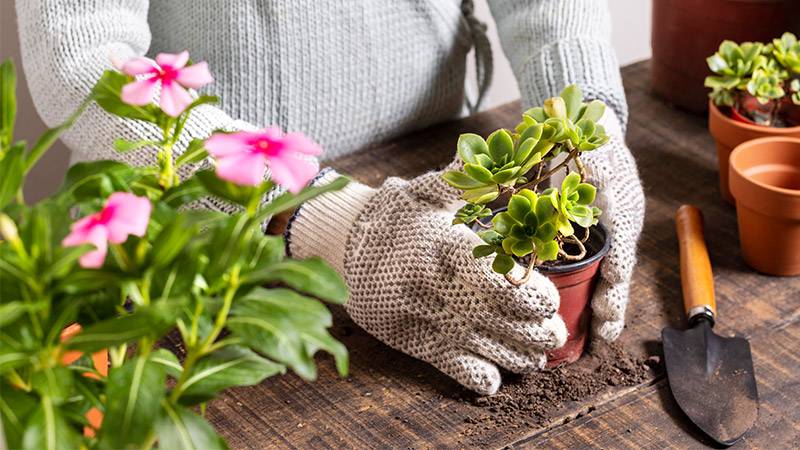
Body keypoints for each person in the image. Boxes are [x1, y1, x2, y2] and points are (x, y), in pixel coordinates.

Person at [16, 0, 644, 395]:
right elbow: (82, 62)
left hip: (439, 182)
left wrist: (584, 116)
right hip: (182, 249)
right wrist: (320, 214)